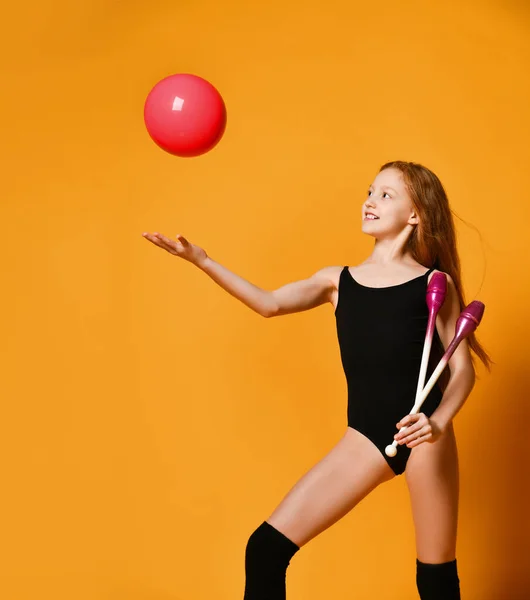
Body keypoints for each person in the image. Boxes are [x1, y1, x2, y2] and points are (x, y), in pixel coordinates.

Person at [142, 160, 492, 600]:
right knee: (265, 549)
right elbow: (268, 304)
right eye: (370, 191)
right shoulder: (337, 281)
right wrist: (203, 261)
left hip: (425, 437)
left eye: (386, 194)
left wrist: (438, 422)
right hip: (365, 436)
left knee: (436, 580)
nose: (370, 200)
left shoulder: (434, 284)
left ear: (416, 214)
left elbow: (461, 371)